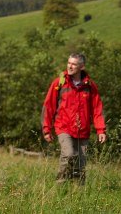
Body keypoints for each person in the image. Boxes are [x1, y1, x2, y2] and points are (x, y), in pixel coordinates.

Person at [41, 53, 106, 185]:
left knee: (80, 164)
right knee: (69, 154)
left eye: (74, 64)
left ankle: (78, 192)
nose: (70, 66)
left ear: (81, 66)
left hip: (83, 130)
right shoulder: (59, 83)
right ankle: (60, 184)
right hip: (63, 127)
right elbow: (48, 106)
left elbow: (97, 109)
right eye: (69, 63)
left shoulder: (90, 86)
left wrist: (101, 130)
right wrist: (47, 129)